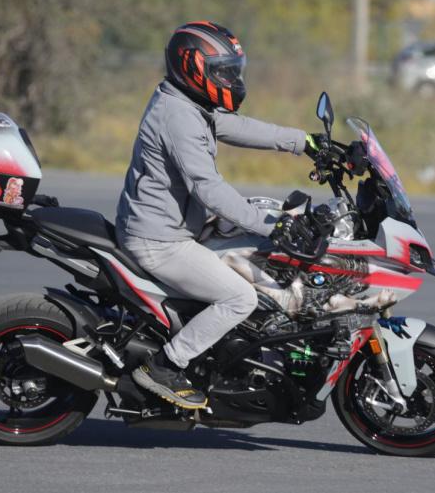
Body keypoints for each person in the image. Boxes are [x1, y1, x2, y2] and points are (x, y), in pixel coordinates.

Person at [115, 21, 318, 409]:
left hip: (174, 227)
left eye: (233, 71)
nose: (231, 80)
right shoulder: (177, 116)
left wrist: (305, 142)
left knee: (253, 232)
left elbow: (236, 126)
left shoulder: (187, 103)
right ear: (192, 67)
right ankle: (165, 366)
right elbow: (207, 189)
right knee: (240, 297)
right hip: (159, 241)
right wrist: (272, 227)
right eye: (222, 71)